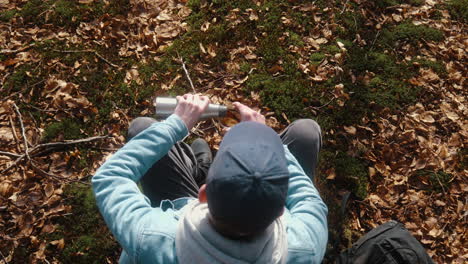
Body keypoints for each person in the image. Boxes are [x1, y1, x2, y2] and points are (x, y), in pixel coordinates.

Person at [92, 94, 328, 263]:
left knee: (142, 127)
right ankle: (201, 163)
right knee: (306, 132)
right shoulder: (305, 245)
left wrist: (176, 124)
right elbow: (310, 202)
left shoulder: (152, 237)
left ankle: (200, 164)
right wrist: (270, 143)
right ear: (281, 209)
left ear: (202, 194)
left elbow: (110, 176)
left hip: (178, 208)